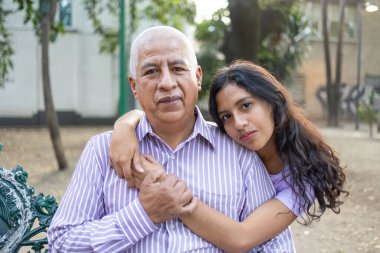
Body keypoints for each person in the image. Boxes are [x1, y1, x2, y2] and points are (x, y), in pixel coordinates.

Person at [48, 26, 295, 252]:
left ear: (197, 77)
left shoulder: (238, 149)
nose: (166, 83)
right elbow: (61, 243)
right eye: (151, 71)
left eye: (178, 69)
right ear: (134, 86)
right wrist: (143, 214)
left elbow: (274, 246)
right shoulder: (103, 150)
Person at [110, 60, 348, 251]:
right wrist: (124, 125)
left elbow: (241, 239)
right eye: (226, 116)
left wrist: (168, 192)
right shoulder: (233, 148)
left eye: (245, 106)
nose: (239, 124)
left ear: (272, 102)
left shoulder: (301, 176)